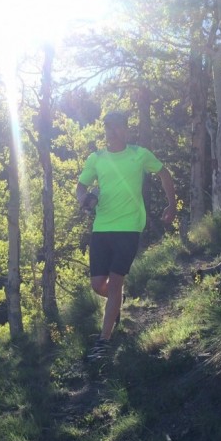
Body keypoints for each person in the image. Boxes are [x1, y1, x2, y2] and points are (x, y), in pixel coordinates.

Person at [75, 110, 176, 361]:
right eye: (109, 127)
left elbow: (164, 173)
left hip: (129, 227)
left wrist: (172, 204)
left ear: (125, 129)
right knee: (98, 284)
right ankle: (116, 302)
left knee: (116, 281)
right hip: (101, 227)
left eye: (118, 126)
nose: (113, 131)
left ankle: (104, 342)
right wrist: (84, 199)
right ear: (105, 130)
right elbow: (81, 186)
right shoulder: (96, 158)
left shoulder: (139, 154)